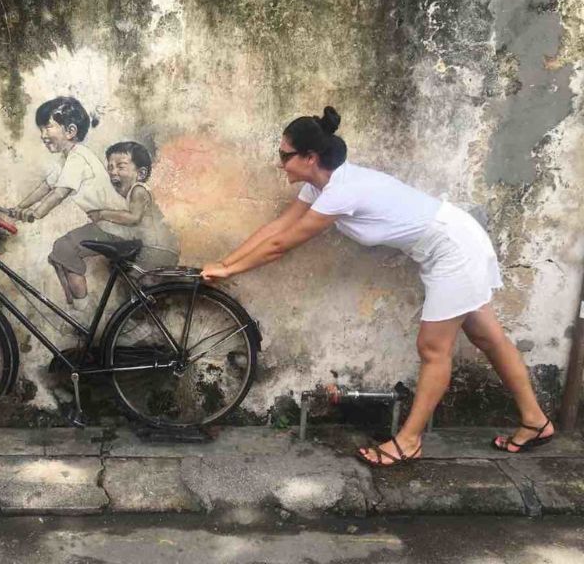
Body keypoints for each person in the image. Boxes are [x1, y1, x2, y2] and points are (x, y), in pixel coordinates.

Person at [201, 106, 554, 467]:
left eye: (284, 155)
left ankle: (409, 440)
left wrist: (230, 271)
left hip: (454, 248)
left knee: (433, 348)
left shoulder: (342, 191)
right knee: (487, 337)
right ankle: (535, 421)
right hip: (446, 245)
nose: (280, 164)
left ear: (310, 157)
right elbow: (277, 228)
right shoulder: (320, 185)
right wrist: (226, 264)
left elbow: (281, 246)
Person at [13, 96, 127, 311]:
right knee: (58, 255)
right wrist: (18, 208)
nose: (43, 135)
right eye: (41, 129)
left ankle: (83, 313)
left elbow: (59, 194)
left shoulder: (78, 158)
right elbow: (45, 187)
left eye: (48, 127)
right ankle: (74, 306)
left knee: (64, 249)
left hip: (116, 225)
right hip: (106, 224)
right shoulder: (66, 159)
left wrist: (35, 214)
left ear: (70, 131)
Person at [88, 141, 180, 273]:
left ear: (141, 174)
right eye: (110, 167)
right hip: (156, 247)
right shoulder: (130, 194)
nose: (113, 172)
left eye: (121, 167)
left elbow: (133, 217)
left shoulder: (138, 190)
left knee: (136, 281)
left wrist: (102, 214)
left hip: (157, 248)